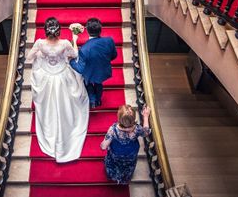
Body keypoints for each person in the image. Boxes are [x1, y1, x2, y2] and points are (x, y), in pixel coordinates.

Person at [26, 17, 89, 162]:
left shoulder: (40, 43)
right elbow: (74, 54)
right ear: (58, 30)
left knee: (48, 104)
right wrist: (74, 38)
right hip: (62, 75)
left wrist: (41, 54)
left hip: (47, 75)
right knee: (70, 98)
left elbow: (29, 58)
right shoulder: (65, 43)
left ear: (46, 31)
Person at [69, 18, 117, 108]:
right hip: (102, 70)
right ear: (100, 29)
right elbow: (114, 55)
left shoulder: (84, 49)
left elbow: (80, 68)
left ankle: (92, 101)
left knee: (88, 84)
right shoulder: (109, 41)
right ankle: (98, 100)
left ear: (87, 30)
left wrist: (71, 61)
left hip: (89, 72)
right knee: (99, 83)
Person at [101, 105, 151, 184]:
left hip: (116, 155)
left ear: (119, 117)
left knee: (113, 163)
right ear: (133, 118)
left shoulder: (113, 130)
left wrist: (105, 140)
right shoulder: (137, 129)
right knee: (128, 165)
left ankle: (114, 176)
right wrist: (145, 116)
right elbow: (146, 132)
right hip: (131, 155)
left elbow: (103, 147)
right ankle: (125, 178)